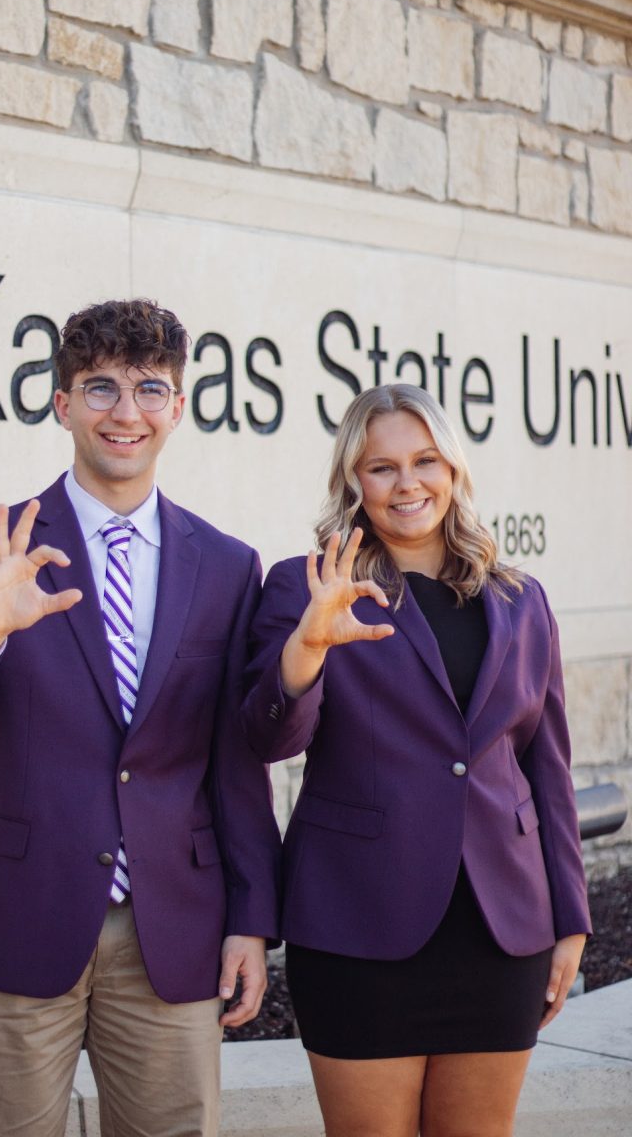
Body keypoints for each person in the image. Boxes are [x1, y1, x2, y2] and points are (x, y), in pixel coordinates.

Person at [0, 298, 281, 1137]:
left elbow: (236, 763)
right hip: (17, 912)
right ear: (61, 403)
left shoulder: (226, 565)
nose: (124, 412)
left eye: (148, 389)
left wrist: (251, 917)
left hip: (172, 928)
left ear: (178, 405)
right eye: (99, 388)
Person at [242, 383, 590, 1137]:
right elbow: (269, 739)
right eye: (381, 468)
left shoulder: (521, 601)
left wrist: (571, 919)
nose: (407, 485)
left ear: (453, 470)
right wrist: (307, 648)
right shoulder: (306, 589)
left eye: (425, 460)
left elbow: (546, 769)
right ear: (352, 483)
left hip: (502, 931)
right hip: (357, 925)